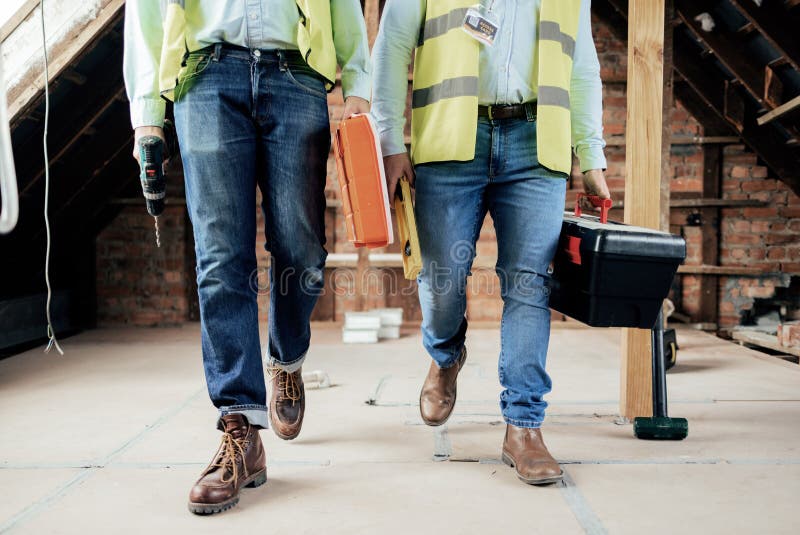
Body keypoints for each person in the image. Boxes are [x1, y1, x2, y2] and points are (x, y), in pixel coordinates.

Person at [123, 0, 370, 514]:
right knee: (220, 260)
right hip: (206, 75)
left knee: (302, 251)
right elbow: (145, 11)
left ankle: (287, 359)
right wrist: (147, 116)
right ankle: (240, 429)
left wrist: (358, 84)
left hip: (296, 74)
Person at [372, 0, 610, 485]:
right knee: (441, 278)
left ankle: (524, 425)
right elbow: (392, 44)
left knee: (530, 285)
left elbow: (582, 63)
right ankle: (445, 354)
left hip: (536, 141)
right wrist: (390, 142)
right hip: (449, 137)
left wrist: (591, 156)